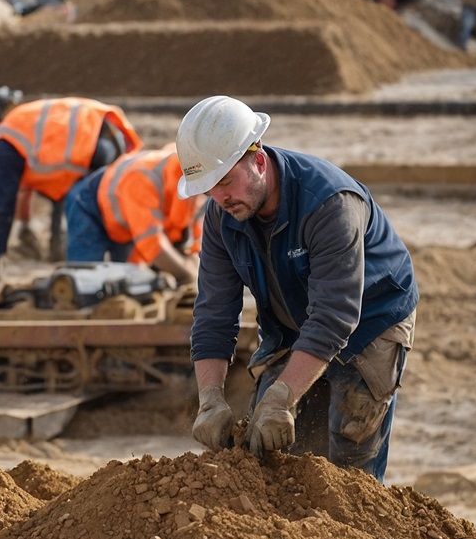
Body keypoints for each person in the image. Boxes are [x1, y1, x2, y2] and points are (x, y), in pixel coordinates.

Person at [176, 95, 418, 483]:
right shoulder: (223, 215)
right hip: (292, 317)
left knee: (348, 464)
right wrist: (209, 398)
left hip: (371, 318)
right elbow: (214, 312)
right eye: (208, 188)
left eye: (225, 181)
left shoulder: (329, 203)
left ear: (257, 160)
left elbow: (335, 315)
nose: (220, 197)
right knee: (266, 451)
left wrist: (283, 397)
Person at [0, 97, 143, 305]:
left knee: (89, 205)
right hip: (97, 130)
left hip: (93, 138)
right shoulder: (30, 143)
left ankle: (87, 272)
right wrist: (26, 228)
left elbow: (5, 205)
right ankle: (101, 271)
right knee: (95, 205)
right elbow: (21, 195)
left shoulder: (15, 142)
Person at [64, 144, 203, 285]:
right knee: (86, 280)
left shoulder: (189, 186)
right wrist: (187, 275)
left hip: (124, 226)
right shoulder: (144, 180)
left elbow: (192, 237)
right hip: (88, 205)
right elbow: (152, 245)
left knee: (127, 283)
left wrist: (194, 269)